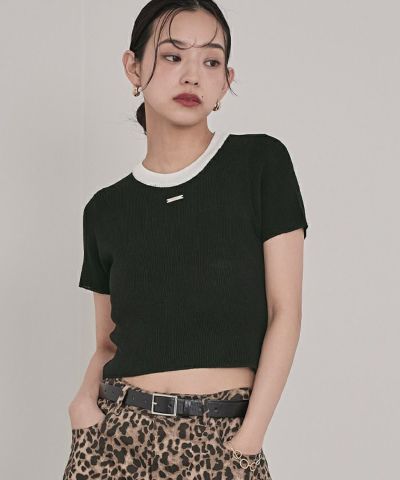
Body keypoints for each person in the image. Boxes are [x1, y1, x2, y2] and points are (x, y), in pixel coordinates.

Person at [63, 1, 309, 479]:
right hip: (113, 442)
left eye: (211, 61)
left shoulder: (260, 164)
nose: (193, 75)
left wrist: (247, 442)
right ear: (133, 68)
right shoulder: (105, 210)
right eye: (173, 56)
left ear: (226, 81)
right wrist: (82, 408)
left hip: (222, 442)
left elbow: (285, 313)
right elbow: (107, 343)